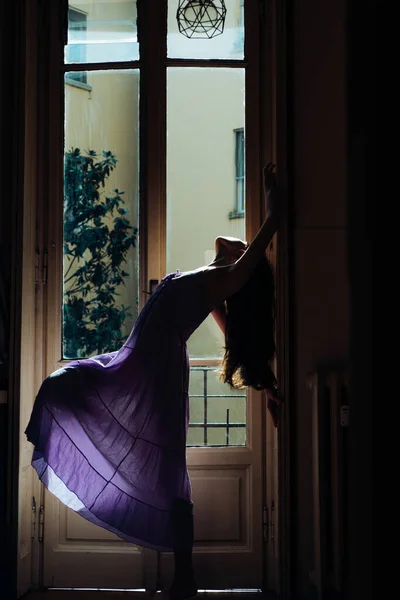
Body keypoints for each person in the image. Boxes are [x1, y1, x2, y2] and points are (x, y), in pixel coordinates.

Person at [25, 162, 281, 600]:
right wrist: (268, 380)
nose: (237, 236)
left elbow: (253, 260)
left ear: (241, 262)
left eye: (243, 244)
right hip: (135, 363)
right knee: (61, 383)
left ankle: (185, 580)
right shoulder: (210, 283)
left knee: (169, 476)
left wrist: (276, 212)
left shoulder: (224, 278)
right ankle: (182, 577)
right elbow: (233, 334)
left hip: (154, 376)